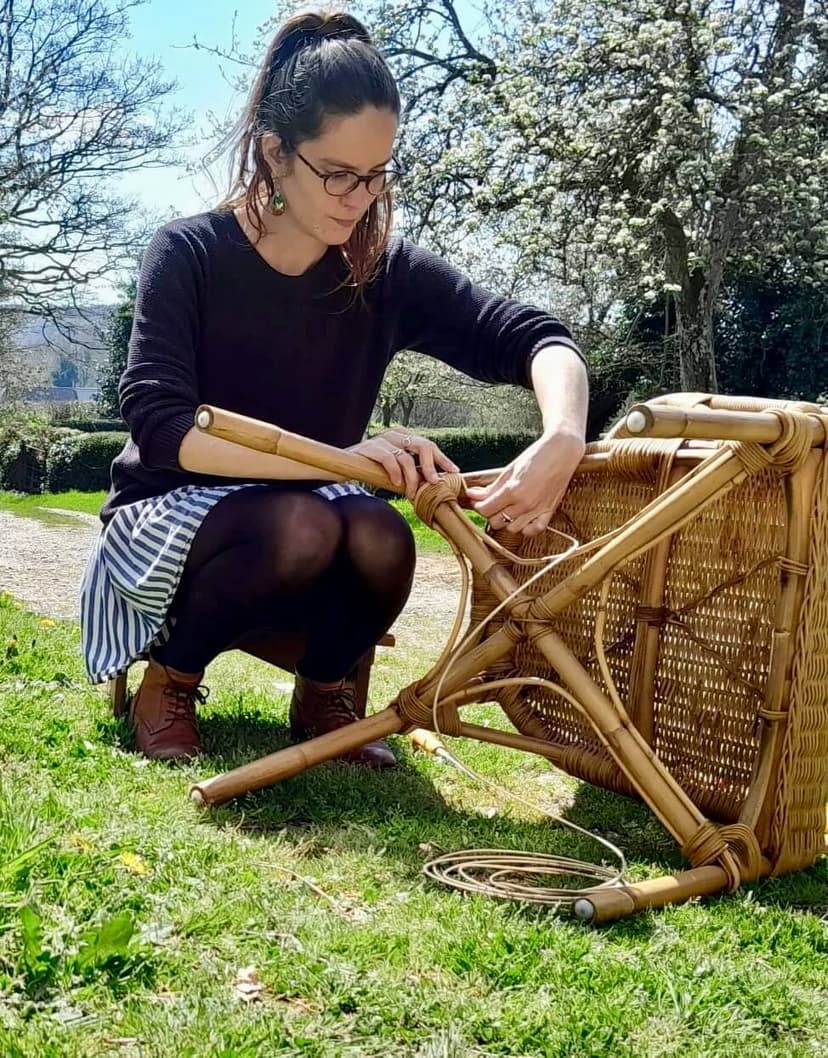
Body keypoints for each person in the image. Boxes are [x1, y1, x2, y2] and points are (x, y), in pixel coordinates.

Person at [79, 10, 588, 765]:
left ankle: (325, 694)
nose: (360, 197)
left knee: (384, 536)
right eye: (339, 174)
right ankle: (172, 678)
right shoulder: (189, 253)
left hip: (310, 505)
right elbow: (163, 427)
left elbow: (534, 337)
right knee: (304, 524)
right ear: (274, 152)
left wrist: (563, 435)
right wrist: (347, 460)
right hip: (169, 513)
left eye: (378, 174)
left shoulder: (383, 271)